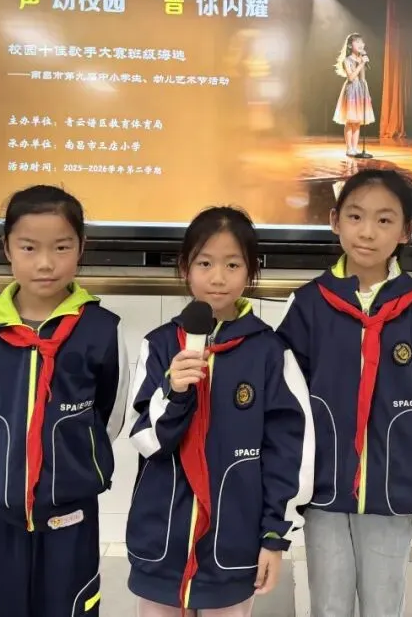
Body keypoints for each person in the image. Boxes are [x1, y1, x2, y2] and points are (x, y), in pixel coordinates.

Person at [276, 169, 412, 617]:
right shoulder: (308, 304)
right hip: (323, 492)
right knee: (328, 604)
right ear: (334, 220)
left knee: (383, 604)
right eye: (356, 216)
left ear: (406, 231)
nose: (367, 232)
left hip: (393, 492)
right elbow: (285, 404)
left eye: (384, 220)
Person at [126, 206, 314, 617]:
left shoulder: (270, 352)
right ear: (185, 268)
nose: (217, 277)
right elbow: (147, 441)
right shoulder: (159, 345)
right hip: (161, 542)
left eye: (232, 264)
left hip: (234, 545)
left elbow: (291, 452)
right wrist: (174, 392)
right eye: (205, 263)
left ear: (251, 271)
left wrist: (274, 536)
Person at [0, 184, 129, 617]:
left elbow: (108, 416)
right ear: (7, 248)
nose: (46, 263)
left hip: (70, 511)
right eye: (29, 247)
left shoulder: (101, 330)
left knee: (70, 607)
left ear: (81, 248)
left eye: (61, 247)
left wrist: (70, 464)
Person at [332, 33, 375, 157]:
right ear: (350, 45)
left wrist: (366, 93)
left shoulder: (361, 59)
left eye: (362, 42)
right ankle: (349, 148)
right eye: (357, 42)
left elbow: (362, 78)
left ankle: (355, 148)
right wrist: (361, 64)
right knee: (350, 120)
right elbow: (351, 77)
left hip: (360, 90)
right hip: (351, 91)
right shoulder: (347, 60)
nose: (361, 44)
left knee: (357, 121)